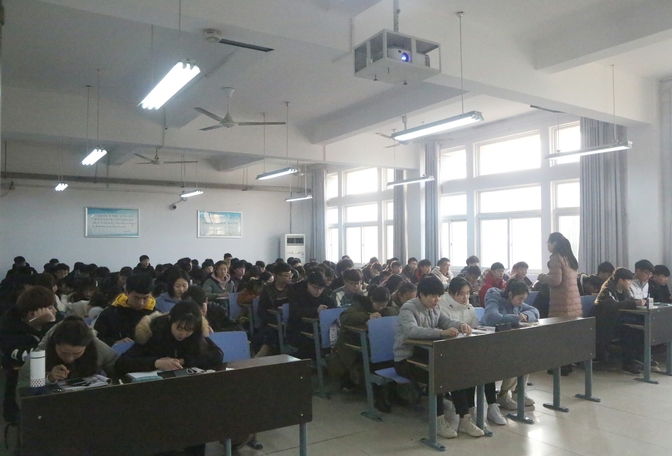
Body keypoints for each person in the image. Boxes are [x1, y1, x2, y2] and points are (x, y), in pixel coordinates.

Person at [116, 301, 223, 456]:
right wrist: (156, 362)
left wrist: (184, 361)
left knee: (198, 416)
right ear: (170, 320)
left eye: (189, 330)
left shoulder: (196, 336)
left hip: (186, 394)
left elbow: (217, 355)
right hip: (156, 396)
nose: (183, 334)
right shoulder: (154, 332)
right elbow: (122, 363)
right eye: (179, 328)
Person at [393, 275, 479, 438]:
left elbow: (446, 321)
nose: (437, 300)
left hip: (427, 355)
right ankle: (438, 420)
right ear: (421, 295)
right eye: (433, 296)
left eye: (439, 296)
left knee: (456, 372)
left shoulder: (435, 307)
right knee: (439, 375)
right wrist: (441, 333)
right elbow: (412, 331)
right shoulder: (408, 308)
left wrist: (460, 325)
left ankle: (465, 420)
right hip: (406, 359)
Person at [439, 277, 507, 427]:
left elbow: (475, 326)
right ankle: (470, 409)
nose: (466, 297)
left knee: (487, 365)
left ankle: (492, 406)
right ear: (451, 293)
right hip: (450, 352)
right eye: (462, 294)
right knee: (471, 368)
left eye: (468, 293)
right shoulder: (442, 307)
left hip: (468, 348)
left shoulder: (468, 307)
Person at [0, 286, 61, 423]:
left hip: (54, 382)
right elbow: (36, 357)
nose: (55, 311)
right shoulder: (10, 329)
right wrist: (48, 326)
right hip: (22, 390)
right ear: (33, 313)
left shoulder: (58, 320)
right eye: (50, 307)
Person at [335, 287, 399, 411]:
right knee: (376, 361)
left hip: (377, 343)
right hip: (354, 344)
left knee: (393, 358)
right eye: (378, 305)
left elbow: (397, 312)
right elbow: (344, 317)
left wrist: (387, 312)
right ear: (371, 299)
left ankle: (393, 394)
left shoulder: (388, 306)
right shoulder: (360, 304)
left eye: (384, 305)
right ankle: (378, 397)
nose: (381, 307)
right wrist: (367, 316)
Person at [18, 316, 119, 389]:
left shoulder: (97, 347)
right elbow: (24, 391)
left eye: (77, 353)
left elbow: (118, 371)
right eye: (64, 353)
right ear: (55, 344)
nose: (69, 359)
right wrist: (49, 378)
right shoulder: (40, 354)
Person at [482, 281, 539, 410]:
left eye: (523, 299)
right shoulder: (494, 298)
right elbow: (491, 317)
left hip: (507, 342)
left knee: (525, 355)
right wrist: (516, 318)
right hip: (490, 343)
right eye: (520, 298)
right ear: (510, 294)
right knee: (515, 357)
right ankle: (503, 395)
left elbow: (534, 310)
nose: (521, 302)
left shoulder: (516, 302)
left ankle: (518, 391)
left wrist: (526, 315)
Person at [593, 267, 647, 373]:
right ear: (621, 280)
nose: (630, 283)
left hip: (616, 320)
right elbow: (613, 306)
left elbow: (628, 301)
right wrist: (633, 303)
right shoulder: (607, 290)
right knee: (630, 330)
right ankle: (628, 363)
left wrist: (637, 302)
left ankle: (637, 359)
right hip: (604, 324)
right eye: (629, 280)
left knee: (639, 326)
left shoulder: (624, 290)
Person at [93, 273, 157, 347]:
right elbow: (96, 339)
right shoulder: (110, 313)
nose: (141, 303)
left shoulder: (155, 315)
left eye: (145, 298)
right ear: (126, 292)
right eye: (136, 298)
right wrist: (114, 342)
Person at [285, 272, 335, 358]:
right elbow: (295, 312)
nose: (318, 291)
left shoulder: (324, 294)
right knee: (317, 344)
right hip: (299, 330)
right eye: (315, 288)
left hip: (319, 329)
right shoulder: (297, 294)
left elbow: (332, 305)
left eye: (321, 288)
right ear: (308, 285)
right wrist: (316, 310)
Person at [536, 233, 582, 318]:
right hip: (573, 303)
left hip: (562, 303)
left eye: (548, 242)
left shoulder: (556, 257)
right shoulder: (569, 257)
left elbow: (555, 281)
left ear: (554, 243)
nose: (547, 245)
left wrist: (541, 277)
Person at [255, 262, 294, 357]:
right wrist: (275, 321)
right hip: (271, 321)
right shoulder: (268, 289)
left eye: (290, 275)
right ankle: (262, 354)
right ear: (277, 276)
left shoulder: (292, 288)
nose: (290, 277)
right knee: (273, 331)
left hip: (289, 320)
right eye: (286, 275)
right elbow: (261, 310)